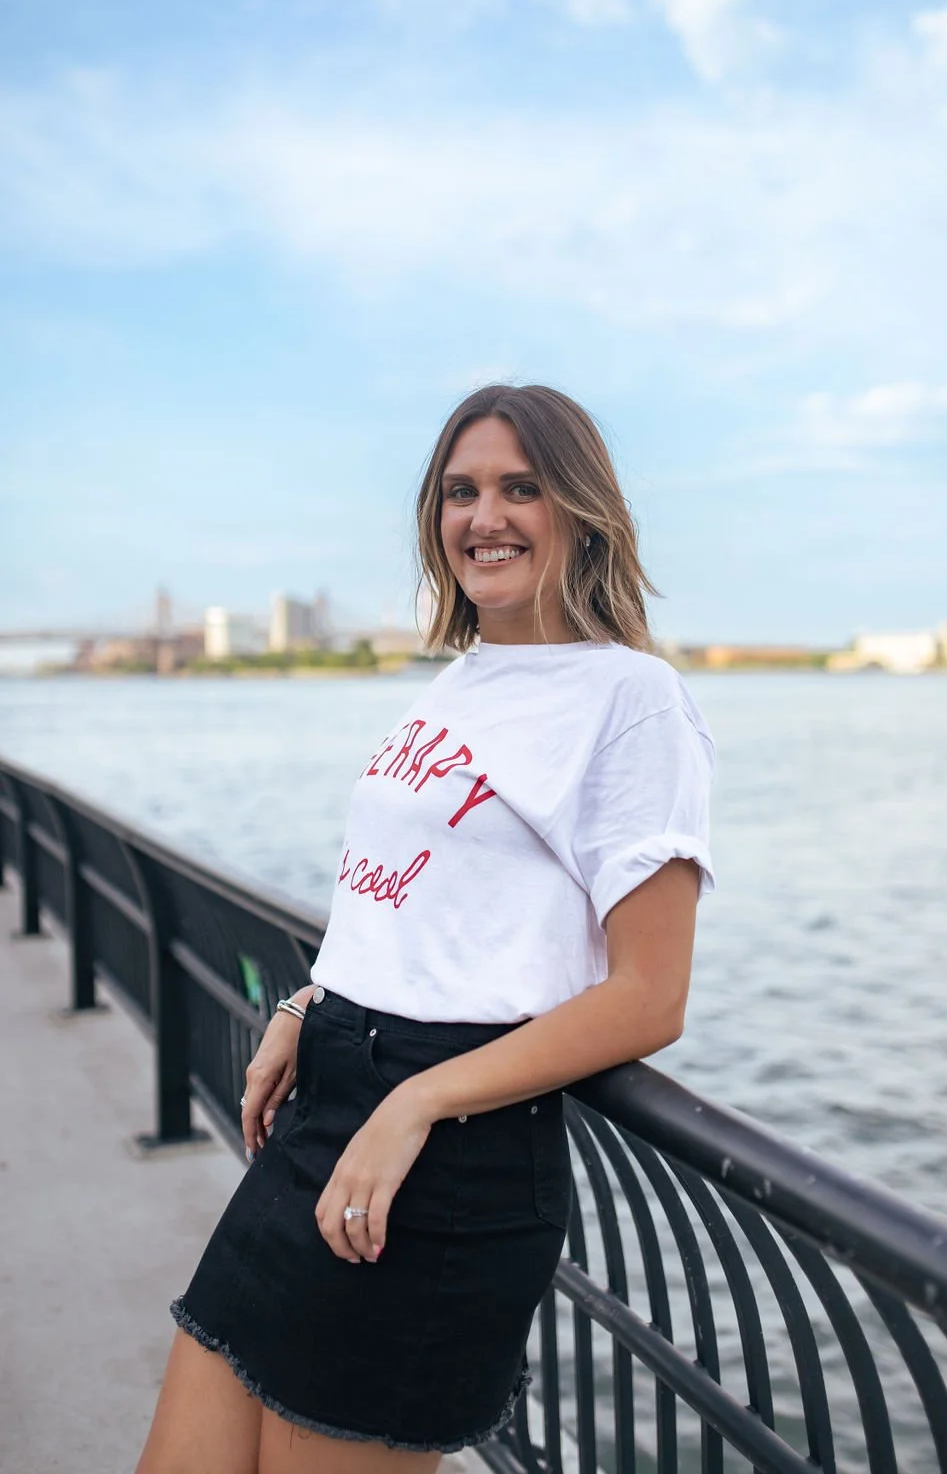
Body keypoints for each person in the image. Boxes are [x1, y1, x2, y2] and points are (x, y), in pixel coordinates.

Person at [136, 383, 715, 1474]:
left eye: (520, 488)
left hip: (441, 1154)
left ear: (580, 509)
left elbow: (649, 997)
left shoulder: (633, 700)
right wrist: (307, 1000)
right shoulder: (459, 682)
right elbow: (415, 900)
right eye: (460, 491)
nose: (483, 517)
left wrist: (417, 1101)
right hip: (329, 1109)